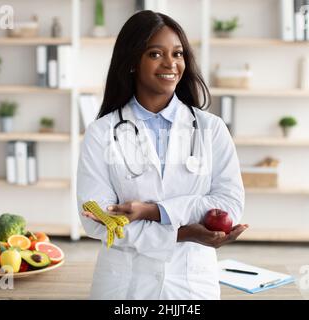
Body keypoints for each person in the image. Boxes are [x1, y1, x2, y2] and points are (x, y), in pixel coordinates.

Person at [77, 10, 247, 300]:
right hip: (125, 287)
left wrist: (153, 212)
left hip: (192, 285)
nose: (171, 63)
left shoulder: (211, 128)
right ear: (132, 62)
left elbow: (229, 204)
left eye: (178, 54)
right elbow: (98, 218)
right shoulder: (101, 132)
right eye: (156, 54)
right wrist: (184, 233)